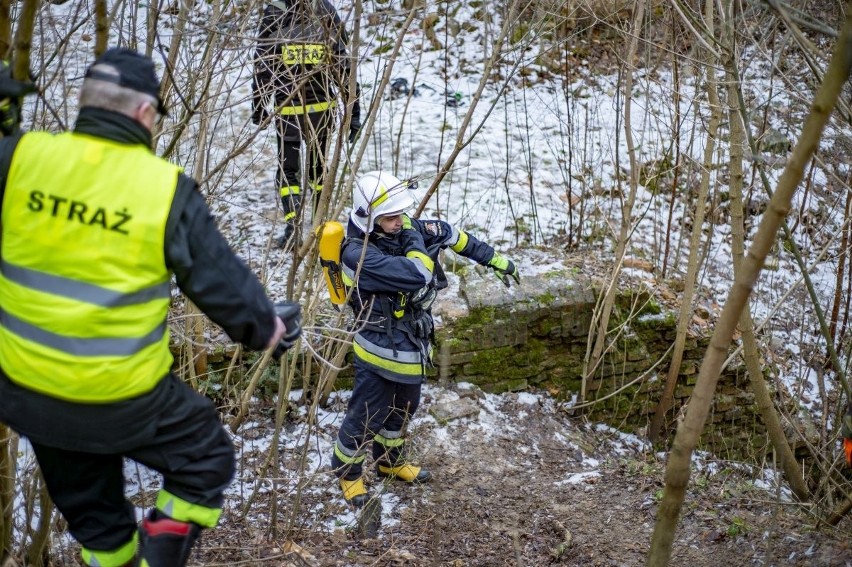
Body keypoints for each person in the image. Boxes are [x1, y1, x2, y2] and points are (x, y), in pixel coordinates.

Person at [0, 47, 301, 567]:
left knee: (98, 524)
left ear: (85, 103)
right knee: (206, 458)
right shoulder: (162, 190)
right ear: (144, 113)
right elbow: (221, 284)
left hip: (28, 395)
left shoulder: (18, 158)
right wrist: (268, 328)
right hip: (123, 397)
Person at [329, 171, 520, 506]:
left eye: (401, 215)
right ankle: (348, 475)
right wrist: (414, 239)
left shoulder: (403, 225)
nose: (400, 222)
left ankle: (389, 463)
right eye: (390, 218)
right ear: (369, 218)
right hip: (377, 349)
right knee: (366, 414)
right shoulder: (357, 254)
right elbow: (418, 273)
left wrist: (496, 260)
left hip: (410, 345)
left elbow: (453, 235)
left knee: (404, 407)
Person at [251, 0, 361, 248]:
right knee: (318, 172)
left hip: (287, 111)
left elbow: (263, 66)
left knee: (288, 172)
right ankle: (319, 228)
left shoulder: (275, 13)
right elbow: (344, 66)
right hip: (321, 113)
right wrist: (354, 111)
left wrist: (259, 107)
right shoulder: (326, 10)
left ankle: (293, 229)